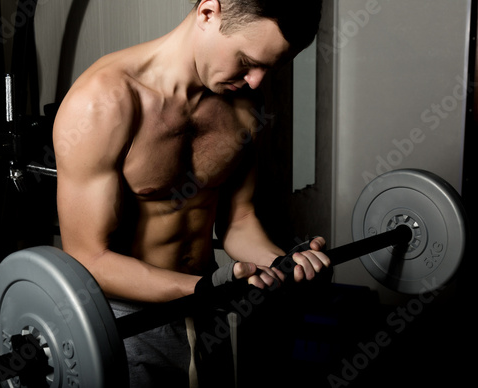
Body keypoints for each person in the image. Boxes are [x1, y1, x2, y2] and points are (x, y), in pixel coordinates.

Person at [53, 0, 327, 386]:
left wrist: (282, 264)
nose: (256, 81)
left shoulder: (245, 105)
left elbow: (240, 220)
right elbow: (88, 257)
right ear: (208, 13)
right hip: (128, 324)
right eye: (247, 61)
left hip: (208, 311)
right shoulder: (104, 103)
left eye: (271, 67)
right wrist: (203, 289)